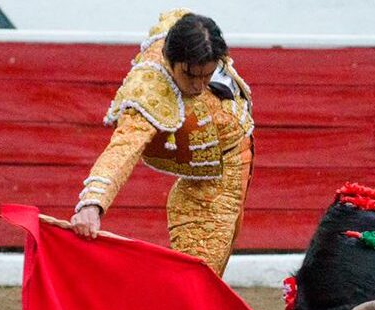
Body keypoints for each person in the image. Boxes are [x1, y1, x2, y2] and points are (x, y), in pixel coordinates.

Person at [71, 9, 254, 276]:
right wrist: (92, 203)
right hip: (209, 185)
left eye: (208, 75)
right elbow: (123, 148)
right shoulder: (150, 88)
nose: (199, 86)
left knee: (206, 275)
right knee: (199, 280)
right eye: (190, 76)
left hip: (233, 165)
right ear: (172, 59)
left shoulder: (189, 34)